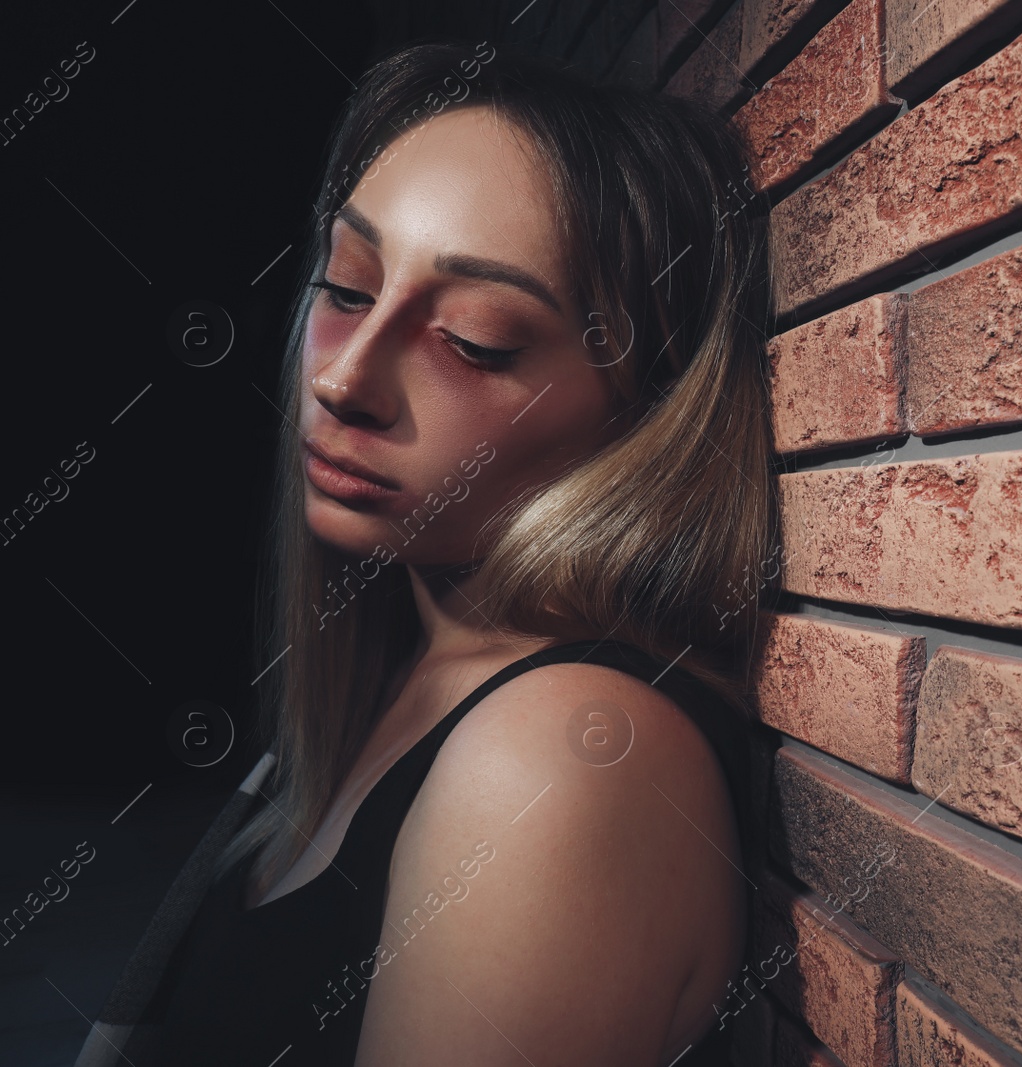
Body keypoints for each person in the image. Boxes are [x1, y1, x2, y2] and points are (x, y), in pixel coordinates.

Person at [81, 39, 777, 1067]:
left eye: (475, 340)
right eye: (347, 286)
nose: (344, 379)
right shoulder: (396, 672)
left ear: (642, 415)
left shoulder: (562, 752)